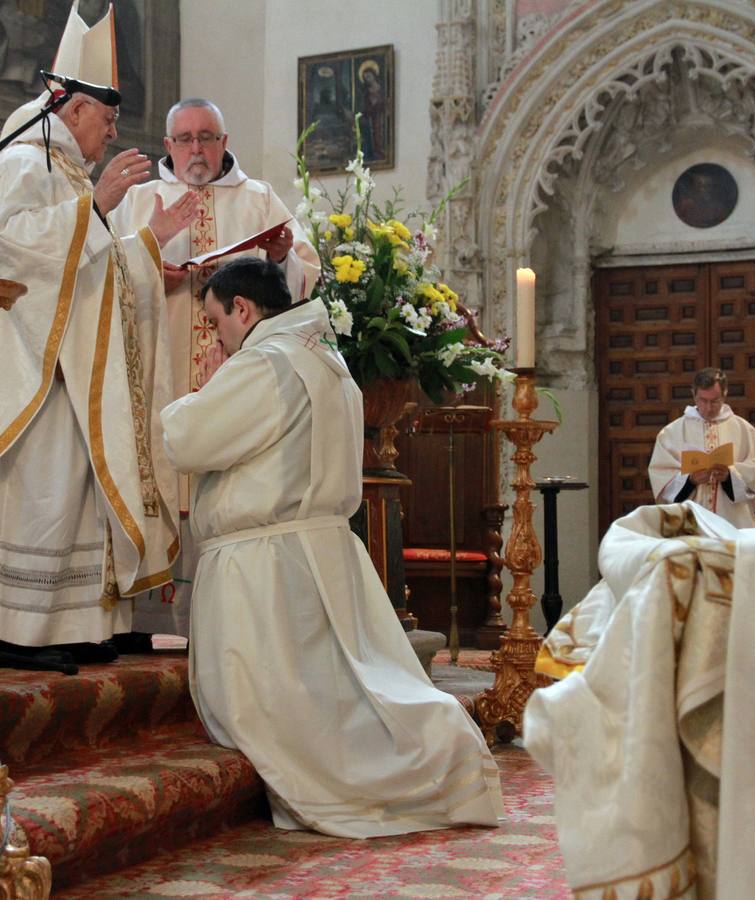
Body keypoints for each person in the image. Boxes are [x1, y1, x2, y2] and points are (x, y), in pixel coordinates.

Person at [159, 258, 504, 837]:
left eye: (217, 323)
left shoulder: (265, 363)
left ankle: (387, 777)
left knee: (285, 709)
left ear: (242, 309)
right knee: (340, 688)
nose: (218, 342)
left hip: (266, 565)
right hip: (313, 549)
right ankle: (436, 759)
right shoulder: (326, 361)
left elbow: (189, 438)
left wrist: (165, 406)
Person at [0, 5, 182, 664]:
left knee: (65, 495)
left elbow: (91, 265)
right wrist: (100, 207)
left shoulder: (66, 173)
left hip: (69, 370)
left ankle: (62, 627)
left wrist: (145, 248)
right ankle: (10, 631)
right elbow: (12, 246)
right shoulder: (26, 160)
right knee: (39, 492)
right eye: (108, 120)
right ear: (75, 108)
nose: (110, 135)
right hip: (31, 368)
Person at [112, 97, 319, 644]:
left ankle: (233, 624)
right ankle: (152, 622)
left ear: (225, 143)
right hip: (162, 374)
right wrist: (152, 264)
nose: (196, 149)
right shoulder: (139, 203)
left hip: (239, 378)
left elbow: (304, 277)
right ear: (168, 146)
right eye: (185, 139)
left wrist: (280, 259)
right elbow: (101, 280)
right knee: (161, 469)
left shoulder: (260, 202)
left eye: (207, 137)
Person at [647, 367, 755, 528]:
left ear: (725, 395)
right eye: (703, 400)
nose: (708, 407)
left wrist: (729, 476)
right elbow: (661, 478)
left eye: (714, 401)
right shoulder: (671, 433)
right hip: (691, 521)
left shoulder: (744, 430)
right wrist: (690, 480)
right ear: (694, 395)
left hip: (733, 520)